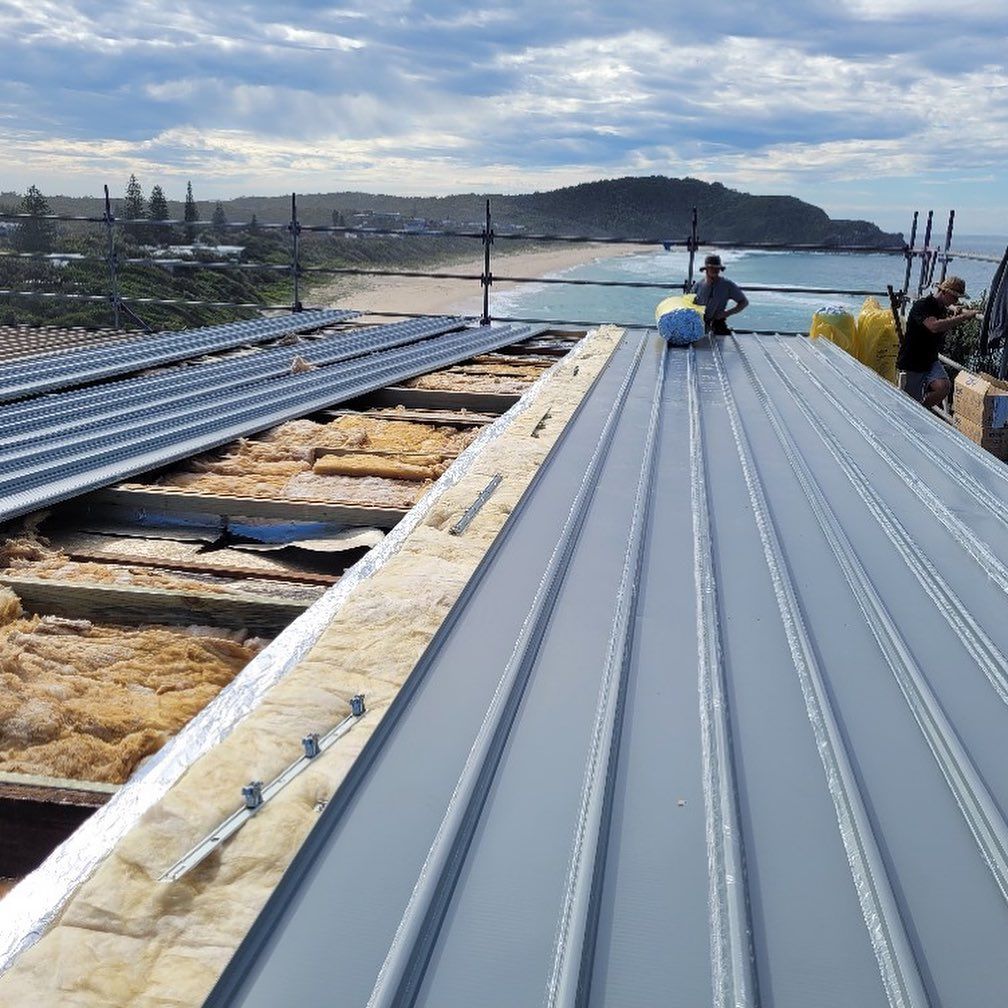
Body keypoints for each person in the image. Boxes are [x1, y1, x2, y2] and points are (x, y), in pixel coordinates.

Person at [898, 276, 980, 408]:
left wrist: (954, 316)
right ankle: (915, 411)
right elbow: (934, 326)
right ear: (944, 292)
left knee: (944, 386)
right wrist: (963, 317)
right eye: (954, 297)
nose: (956, 301)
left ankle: (922, 410)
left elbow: (942, 327)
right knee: (908, 402)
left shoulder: (941, 308)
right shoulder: (923, 305)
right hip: (913, 361)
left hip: (930, 359)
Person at [691, 254, 749, 335]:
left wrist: (726, 313)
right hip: (699, 323)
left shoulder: (727, 285)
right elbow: (688, 304)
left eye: (717, 268)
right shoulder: (697, 286)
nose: (715, 270)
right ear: (706, 269)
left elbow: (744, 302)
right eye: (712, 268)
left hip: (717, 323)